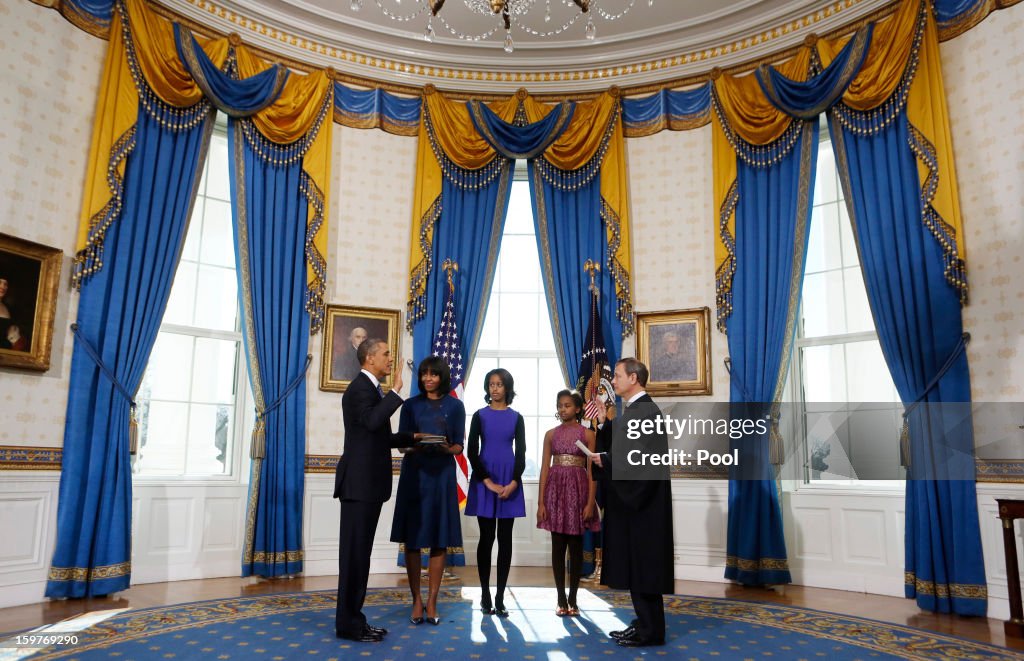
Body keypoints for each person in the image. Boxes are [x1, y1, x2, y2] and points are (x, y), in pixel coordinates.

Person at [334, 338, 420, 643]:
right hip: (359, 486)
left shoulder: (371, 390)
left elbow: (378, 437)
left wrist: (414, 437)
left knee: (360, 557)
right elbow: (372, 422)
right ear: (369, 358)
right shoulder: (359, 389)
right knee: (355, 558)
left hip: (367, 486)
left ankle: (353, 620)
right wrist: (397, 392)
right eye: (385, 354)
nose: (390, 358)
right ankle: (349, 625)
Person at [591, 358, 674, 647]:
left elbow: (635, 459)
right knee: (639, 566)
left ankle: (651, 631)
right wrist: (605, 424)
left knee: (644, 567)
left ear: (634, 378)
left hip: (644, 504)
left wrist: (604, 460)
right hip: (640, 504)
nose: (612, 381)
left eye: (616, 375)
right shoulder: (637, 410)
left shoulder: (644, 412)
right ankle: (643, 623)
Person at [390, 356, 465, 626]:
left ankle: (432, 601)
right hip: (415, 475)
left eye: (433, 374)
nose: (428, 378)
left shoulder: (456, 406)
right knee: (412, 539)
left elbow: (459, 446)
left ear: (442, 376)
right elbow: (401, 445)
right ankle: (416, 601)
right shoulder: (410, 405)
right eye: (424, 374)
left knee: (438, 538)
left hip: (441, 475)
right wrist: (418, 442)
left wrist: (446, 447)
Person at [464, 368, 526, 617]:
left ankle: (500, 596)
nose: (495, 388)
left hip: (509, 478)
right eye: (491, 384)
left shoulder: (517, 417)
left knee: (506, 539)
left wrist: (514, 481)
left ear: (507, 388)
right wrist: (487, 481)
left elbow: (521, 452)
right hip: (485, 478)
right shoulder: (479, 416)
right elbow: (471, 451)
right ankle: (485, 594)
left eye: (499, 384)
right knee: (486, 538)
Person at [536, 389, 599, 616]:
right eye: (560, 405)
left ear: (578, 408)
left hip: (578, 493)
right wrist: (541, 502)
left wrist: (590, 503)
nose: (563, 409)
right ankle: (560, 598)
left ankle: (573, 598)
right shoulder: (551, 434)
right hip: (556, 493)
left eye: (567, 405)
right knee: (557, 547)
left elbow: (593, 471)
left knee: (576, 548)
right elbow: (545, 468)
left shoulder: (588, 434)